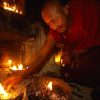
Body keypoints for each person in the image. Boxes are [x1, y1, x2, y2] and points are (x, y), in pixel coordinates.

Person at [3, 0, 100, 92]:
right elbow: (42, 53)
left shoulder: (86, 10)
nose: (53, 27)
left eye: (53, 21)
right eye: (49, 24)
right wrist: (23, 72)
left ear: (65, 9)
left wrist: (72, 53)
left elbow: (93, 39)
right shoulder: (55, 30)